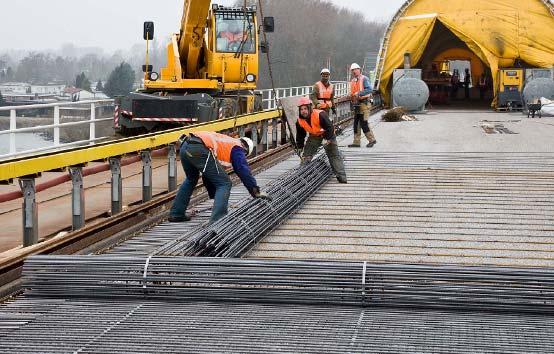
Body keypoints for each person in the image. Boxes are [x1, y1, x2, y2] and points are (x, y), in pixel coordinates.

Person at [168, 131, 271, 223]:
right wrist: (254, 190)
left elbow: (208, 175)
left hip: (185, 145)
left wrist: (215, 195)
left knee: (191, 178)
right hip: (199, 148)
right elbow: (242, 169)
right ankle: (218, 220)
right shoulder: (238, 148)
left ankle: (176, 213)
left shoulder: (226, 142)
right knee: (225, 183)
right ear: (245, 150)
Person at [295, 97, 347, 184]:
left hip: (328, 134)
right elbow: (300, 135)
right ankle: (301, 177)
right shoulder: (300, 121)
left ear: (309, 108)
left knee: (333, 155)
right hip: (315, 136)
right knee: (306, 155)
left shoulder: (320, 114)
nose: (303, 111)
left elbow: (330, 127)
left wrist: (328, 139)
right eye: (301, 109)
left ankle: (341, 176)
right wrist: (299, 146)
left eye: (305, 108)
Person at [348, 63, 376, 148]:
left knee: (364, 123)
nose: (354, 71)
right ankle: (356, 142)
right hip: (357, 104)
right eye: (352, 70)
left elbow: (369, 89)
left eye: (355, 70)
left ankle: (372, 140)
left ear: (359, 69)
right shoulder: (353, 81)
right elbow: (352, 93)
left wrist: (359, 93)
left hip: (364, 104)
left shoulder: (364, 79)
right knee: (356, 124)